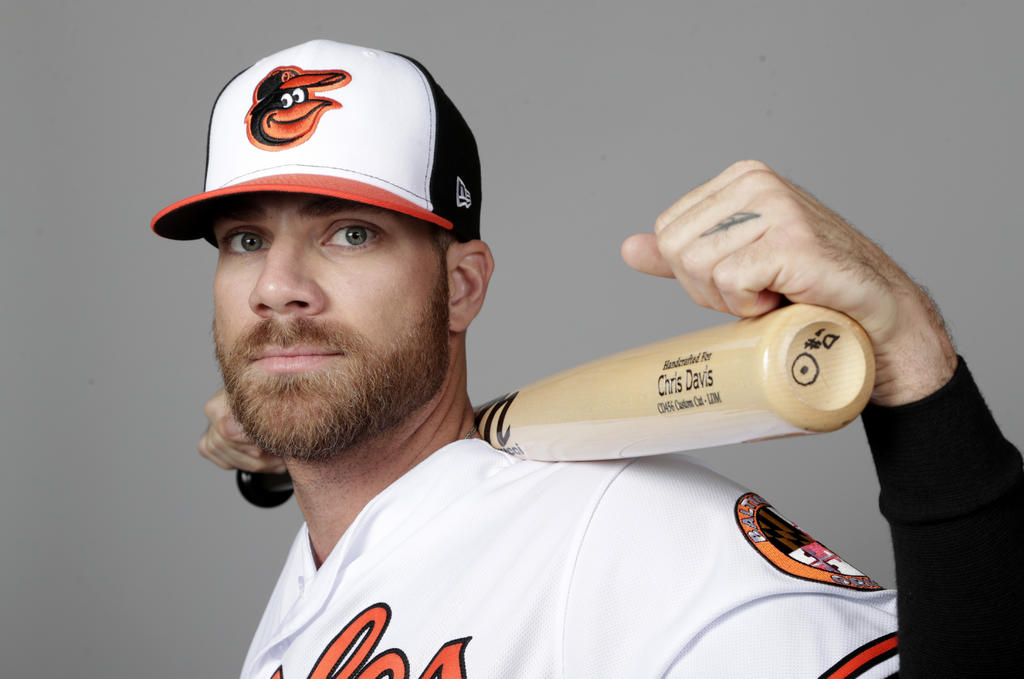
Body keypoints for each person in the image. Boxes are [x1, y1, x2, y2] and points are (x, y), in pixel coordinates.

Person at [153, 39, 1021, 678]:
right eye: (245, 239)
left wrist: (914, 364)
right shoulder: (331, 539)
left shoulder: (621, 533)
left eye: (350, 233)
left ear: (461, 286)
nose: (277, 287)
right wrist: (286, 445)